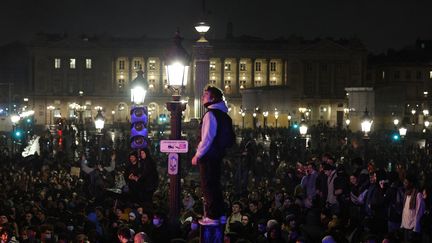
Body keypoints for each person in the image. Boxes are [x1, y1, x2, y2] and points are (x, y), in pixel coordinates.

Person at [192, 86, 233, 225]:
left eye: (206, 94)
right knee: (215, 184)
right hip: (218, 154)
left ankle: (212, 216)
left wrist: (197, 154)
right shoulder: (223, 114)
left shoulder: (210, 114)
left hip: (209, 155)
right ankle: (220, 214)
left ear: (213, 98)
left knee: (208, 184)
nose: (203, 97)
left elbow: (207, 138)